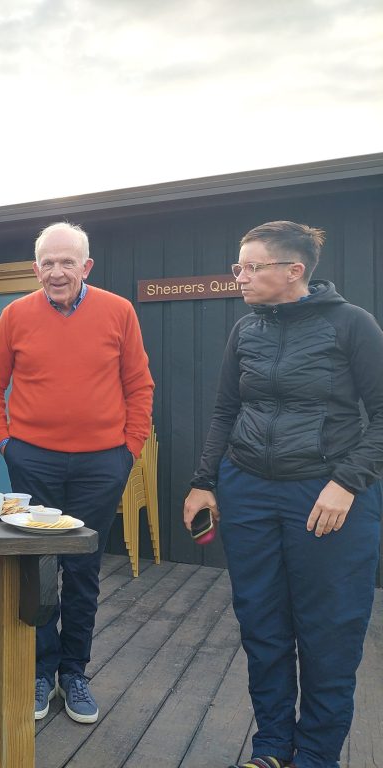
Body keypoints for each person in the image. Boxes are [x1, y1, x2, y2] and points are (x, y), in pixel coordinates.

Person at [183, 221, 383, 768]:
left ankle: (317, 757)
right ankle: (272, 747)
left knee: (329, 632)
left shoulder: (352, 326)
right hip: (249, 492)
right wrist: (205, 481)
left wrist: (346, 483)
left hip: (327, 498)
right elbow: (226, 410)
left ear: (293, 271)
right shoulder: (246, 330)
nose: (240, 277)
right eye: (237, 267)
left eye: (251, 267)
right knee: (262, 624)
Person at [0, 221, 154, 724]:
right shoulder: (15, 315)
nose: (57, 272)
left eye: (67, 262)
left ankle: (74, 671)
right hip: (33, 460)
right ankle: (40, 669)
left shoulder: (119, 311)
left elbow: (140, 385)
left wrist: (129, 449)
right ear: (36, 269)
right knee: (39, 569)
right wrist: (7, 444)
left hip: (103, 464)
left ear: (86, 266)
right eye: (47, 264)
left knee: (83, 569)